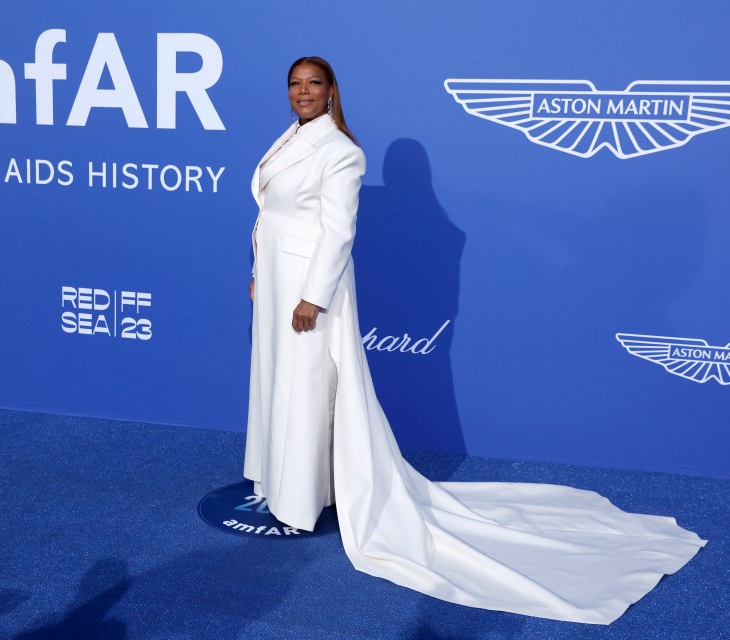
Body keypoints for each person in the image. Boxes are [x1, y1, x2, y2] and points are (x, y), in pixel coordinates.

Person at [243, 56, 706, 625]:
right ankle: (287, 478)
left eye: (314, 83)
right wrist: (262, 272)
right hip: (278, 282)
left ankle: (301, 498)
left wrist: (312, 295)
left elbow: (338, 231)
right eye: (295, 84)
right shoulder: (290, 138)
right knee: (278, 381)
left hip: (311, 289)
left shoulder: (341, 151)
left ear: (333, 90)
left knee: (307, 387)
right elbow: (273, 212)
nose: (303, 92)